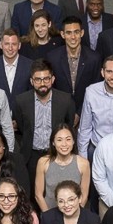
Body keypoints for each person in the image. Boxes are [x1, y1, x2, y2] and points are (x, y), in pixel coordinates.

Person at [14, 59, 75, 197]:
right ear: (31, 81)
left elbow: (68, 126)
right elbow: (22, 128)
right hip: (31, 156)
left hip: (57, 155)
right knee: (32, 195)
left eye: (46, 79)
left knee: (58, 194)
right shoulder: (21, 101)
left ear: (52, 79)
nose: (42, 83)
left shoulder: (65, 100)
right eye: (38, 79)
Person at [49, 15, 102, 124]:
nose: (73, 37)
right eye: (68, 33)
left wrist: (79, 112)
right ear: (62, 34)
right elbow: (52, 89)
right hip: (59, 115)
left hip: (88, 115)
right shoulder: (52, 57)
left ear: (82, 33)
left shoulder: (94, 58)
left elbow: (95, 89)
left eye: (76, 32)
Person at [35, 124, 90, 212]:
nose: (64, 144)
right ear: (53, 142)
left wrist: (74, 216)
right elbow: (38, 195)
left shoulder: (83, 164)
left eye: (68, 139)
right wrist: (48, 216)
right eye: (59, 140)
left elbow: (84, 196)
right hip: (50, 213)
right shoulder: (43, 162)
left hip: (74, 214)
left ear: (73, 141)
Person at [0, 28, 33, 109]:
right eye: (7, 44)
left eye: (14, 44)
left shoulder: (30, 65)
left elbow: (31, 96)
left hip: (22, 118)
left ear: (19, 45)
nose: (10, 48)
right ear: (1, 45)